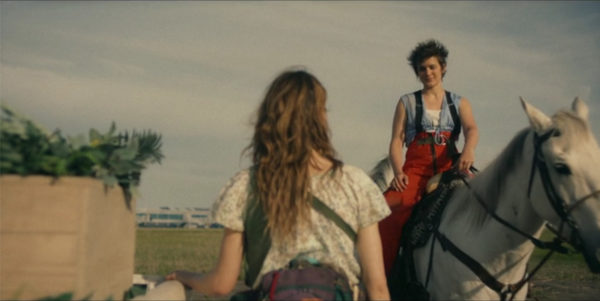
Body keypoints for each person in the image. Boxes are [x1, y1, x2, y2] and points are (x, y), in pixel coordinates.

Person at [166, 68, 391, 300]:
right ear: (321, 118)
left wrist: (186, 276)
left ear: (269, 120)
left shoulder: (246, 186)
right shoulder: (355, 183)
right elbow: (378, 287)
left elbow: (222, 284)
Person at [378, 39, 479, 274]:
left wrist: (469, 149)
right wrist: (398, 171)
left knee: (486, 202)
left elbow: (471, 129)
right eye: (422, 68)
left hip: (450, 168)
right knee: (385, 212)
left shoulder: (460, 102)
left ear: (442, 67)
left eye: (432, 66)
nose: (427, 72)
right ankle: (383, 280)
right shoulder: (407, 102)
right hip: (415, 170)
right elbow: (396, 140)